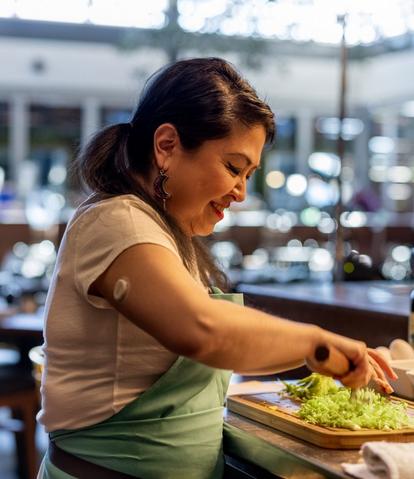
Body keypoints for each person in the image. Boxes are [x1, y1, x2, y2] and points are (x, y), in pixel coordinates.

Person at [37, 57, 396, 479]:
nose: (240, 193)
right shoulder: (116, 221)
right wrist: (319, 346)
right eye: (233, 167)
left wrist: (317, 354)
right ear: (167, 145)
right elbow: (204, 330)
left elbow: (225, 337)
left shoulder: (166, 233)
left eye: (248, 175)